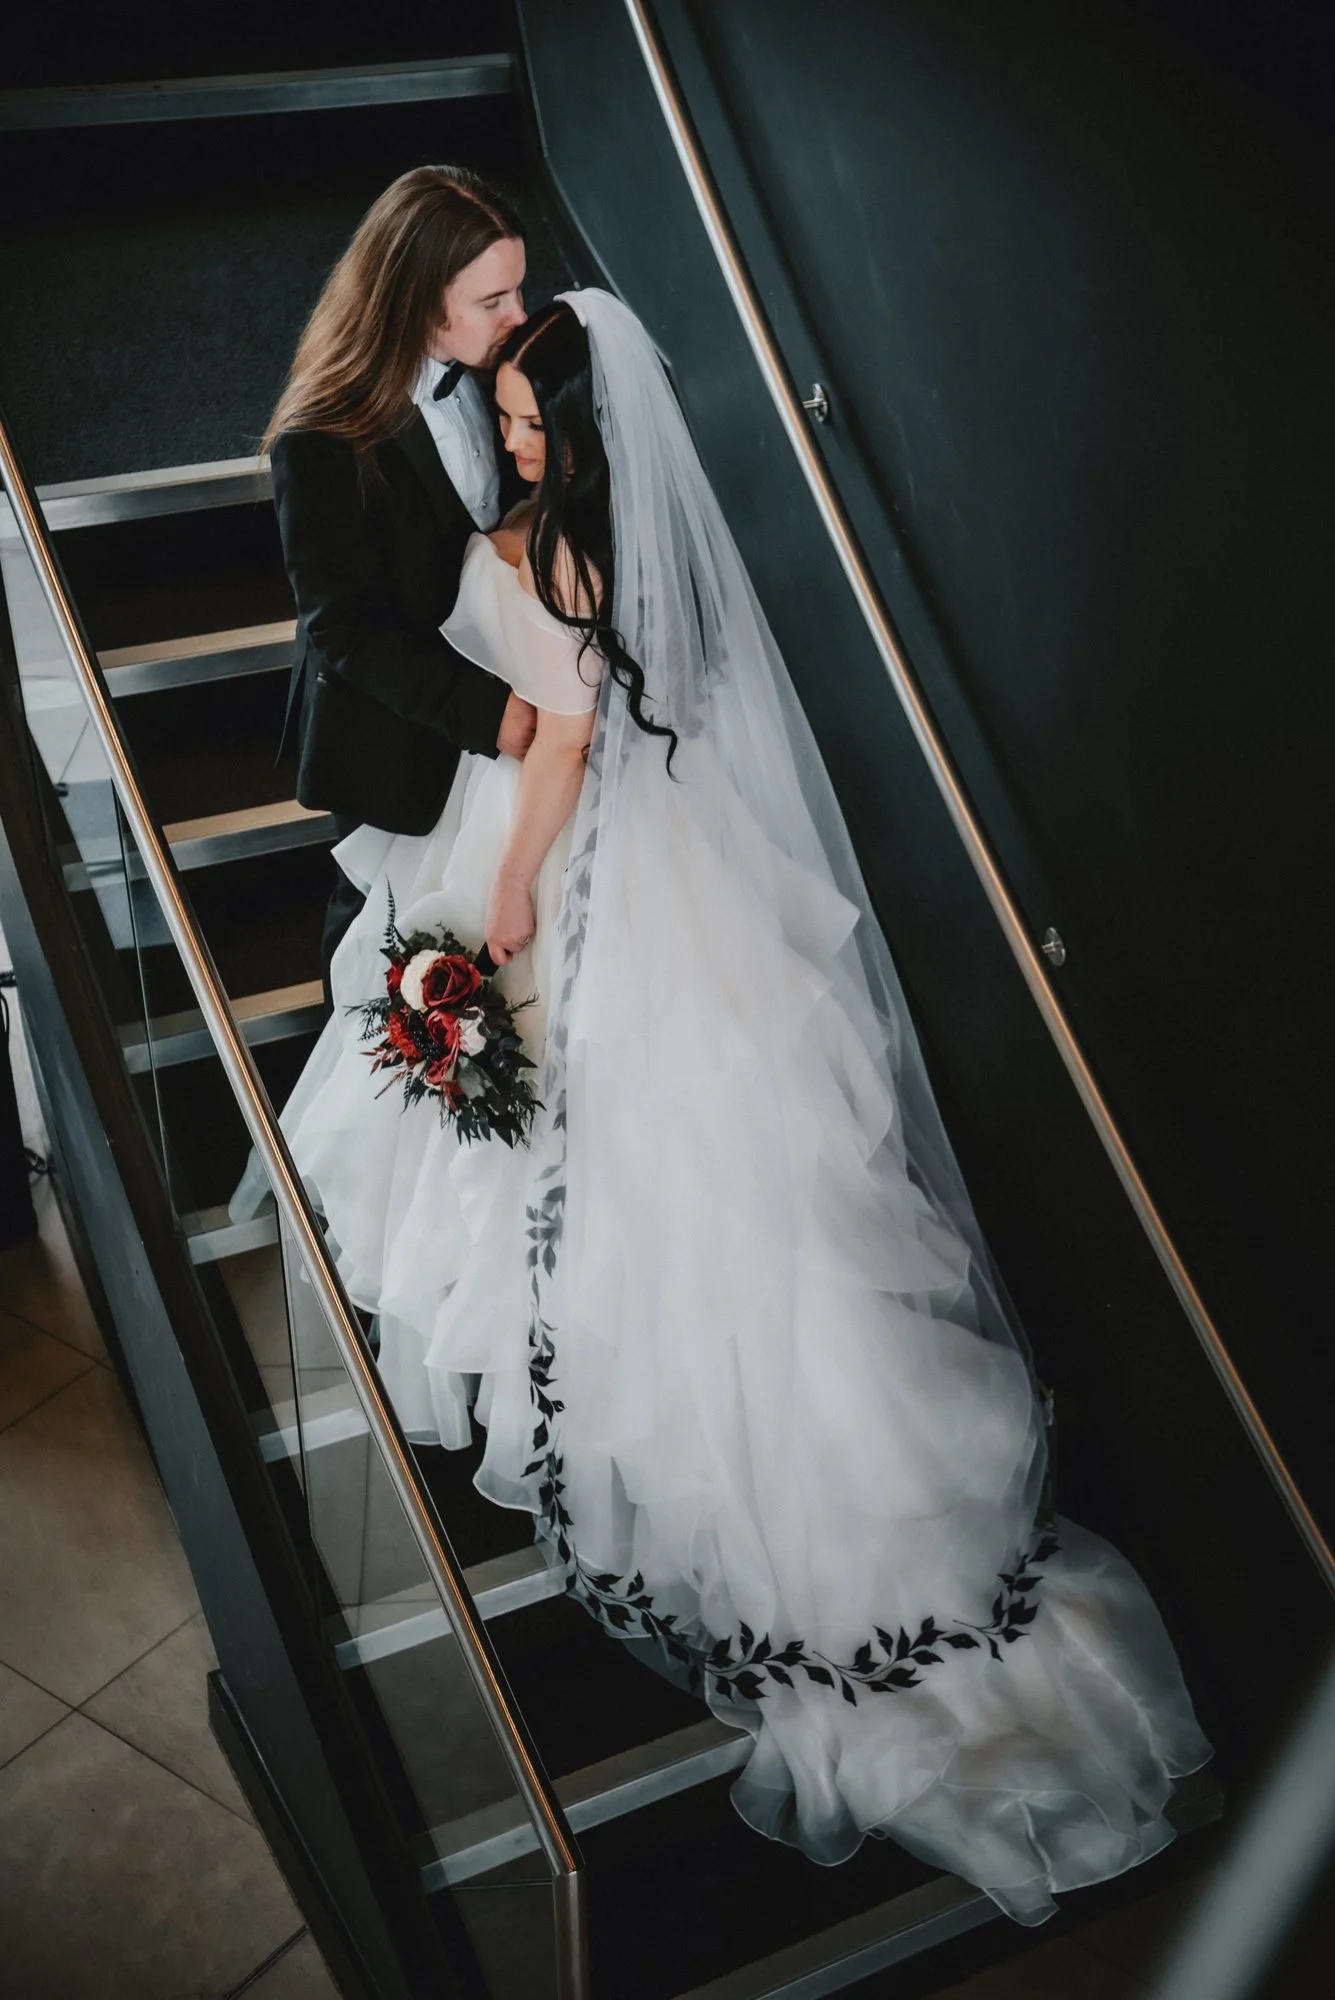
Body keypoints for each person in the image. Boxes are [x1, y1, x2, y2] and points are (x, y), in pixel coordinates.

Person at [250, 290, 1210, 1921]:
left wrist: (508, 920)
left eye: (541, 422)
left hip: (568, 874)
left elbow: (551, 752)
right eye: (515, 413)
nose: (520, 437)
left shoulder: (551, 554)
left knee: (676, 1210)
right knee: (730, 1197)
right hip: (674, 872)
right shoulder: (587, 538)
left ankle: (839, 1584)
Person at [263, 166, 539, 1006]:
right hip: (396, 727)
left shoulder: (499, 363)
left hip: (502, 692)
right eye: (493, 300)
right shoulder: (321, 436)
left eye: (517, 290)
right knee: (377, 961)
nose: (518, 318)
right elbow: (346, 630)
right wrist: (489, 715)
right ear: (422, 303)